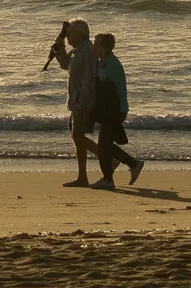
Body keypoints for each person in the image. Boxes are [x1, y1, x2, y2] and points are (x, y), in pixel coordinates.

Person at [45, 19, 100, 187]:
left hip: (82, 102)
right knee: (77, 137)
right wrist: (60, 40)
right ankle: (82, 177)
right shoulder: (76, 50)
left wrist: (84, 103)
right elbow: (64, 64)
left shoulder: (87, 52)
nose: (68, 38)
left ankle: (110, 159)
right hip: (75, 101)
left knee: (77, 136)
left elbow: (89, 80)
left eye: (69, 35)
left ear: (79, 34)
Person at [92, 32, 144, 188]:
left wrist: (115, 112)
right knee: (105, 144)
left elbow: (117, 90)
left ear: (105, 47)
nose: (93, 47)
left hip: (115, 109)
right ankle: (134, 164)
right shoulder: (102, 62)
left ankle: (108, 180)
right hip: (107, 108)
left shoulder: (112, 64)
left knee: (103, 145)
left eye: (96, 44)